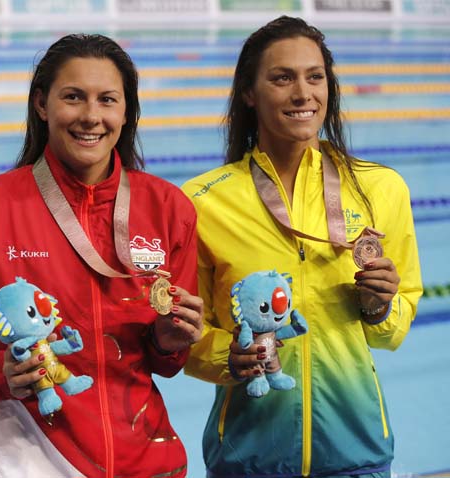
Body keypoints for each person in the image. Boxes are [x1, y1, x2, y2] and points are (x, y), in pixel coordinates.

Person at [0, 33, 204, 478]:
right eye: (73, 97)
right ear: (42, 104)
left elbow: (165, 362)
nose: (91, 117)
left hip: (146, 460)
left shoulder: (168, 209)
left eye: (107, 100)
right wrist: (0, 371)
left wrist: (169, 342)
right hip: (30, 461)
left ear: (126, 111)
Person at [181, 16, 423, 477]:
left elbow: (394, 329)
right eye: (282, 78)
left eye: (315, 77)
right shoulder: (202, 202)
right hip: (246, 457)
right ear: (249, 93)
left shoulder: (381, 189)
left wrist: (379, 307)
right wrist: (227, 356)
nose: (302, 93)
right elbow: (186, 335)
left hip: (357, 451)